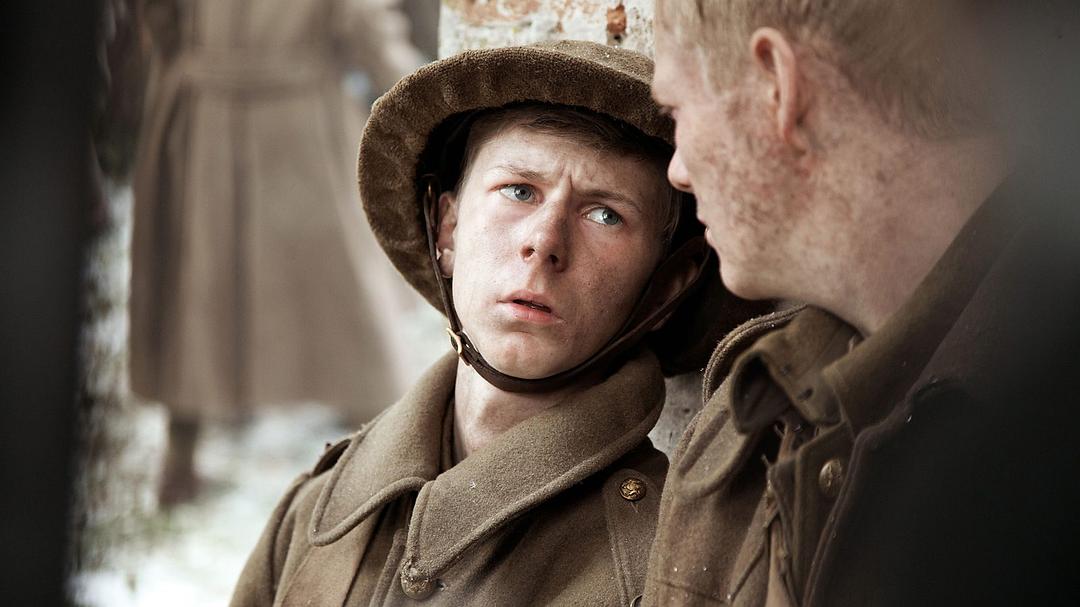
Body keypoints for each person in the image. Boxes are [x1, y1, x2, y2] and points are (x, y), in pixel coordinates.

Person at [229, 40, 761, 606]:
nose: (544, 241)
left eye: (605, 214)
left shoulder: (665, 571)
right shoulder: (317, 514)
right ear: (447, 229)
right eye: (519, 190)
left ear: (667, 287)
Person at [645, 1, 1080, 605]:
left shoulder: (1046, 427)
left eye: (676, 111)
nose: (677, 171)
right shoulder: (738, 430)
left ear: (778, 87)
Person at [130, 0, 424, 506]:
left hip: (204, 116)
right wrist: (428, 104)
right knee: (343, 289)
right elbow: (363, 23)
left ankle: (180, 459)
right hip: (298, 119)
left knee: (196, 283)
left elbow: (160, 15)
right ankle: (396, 459)